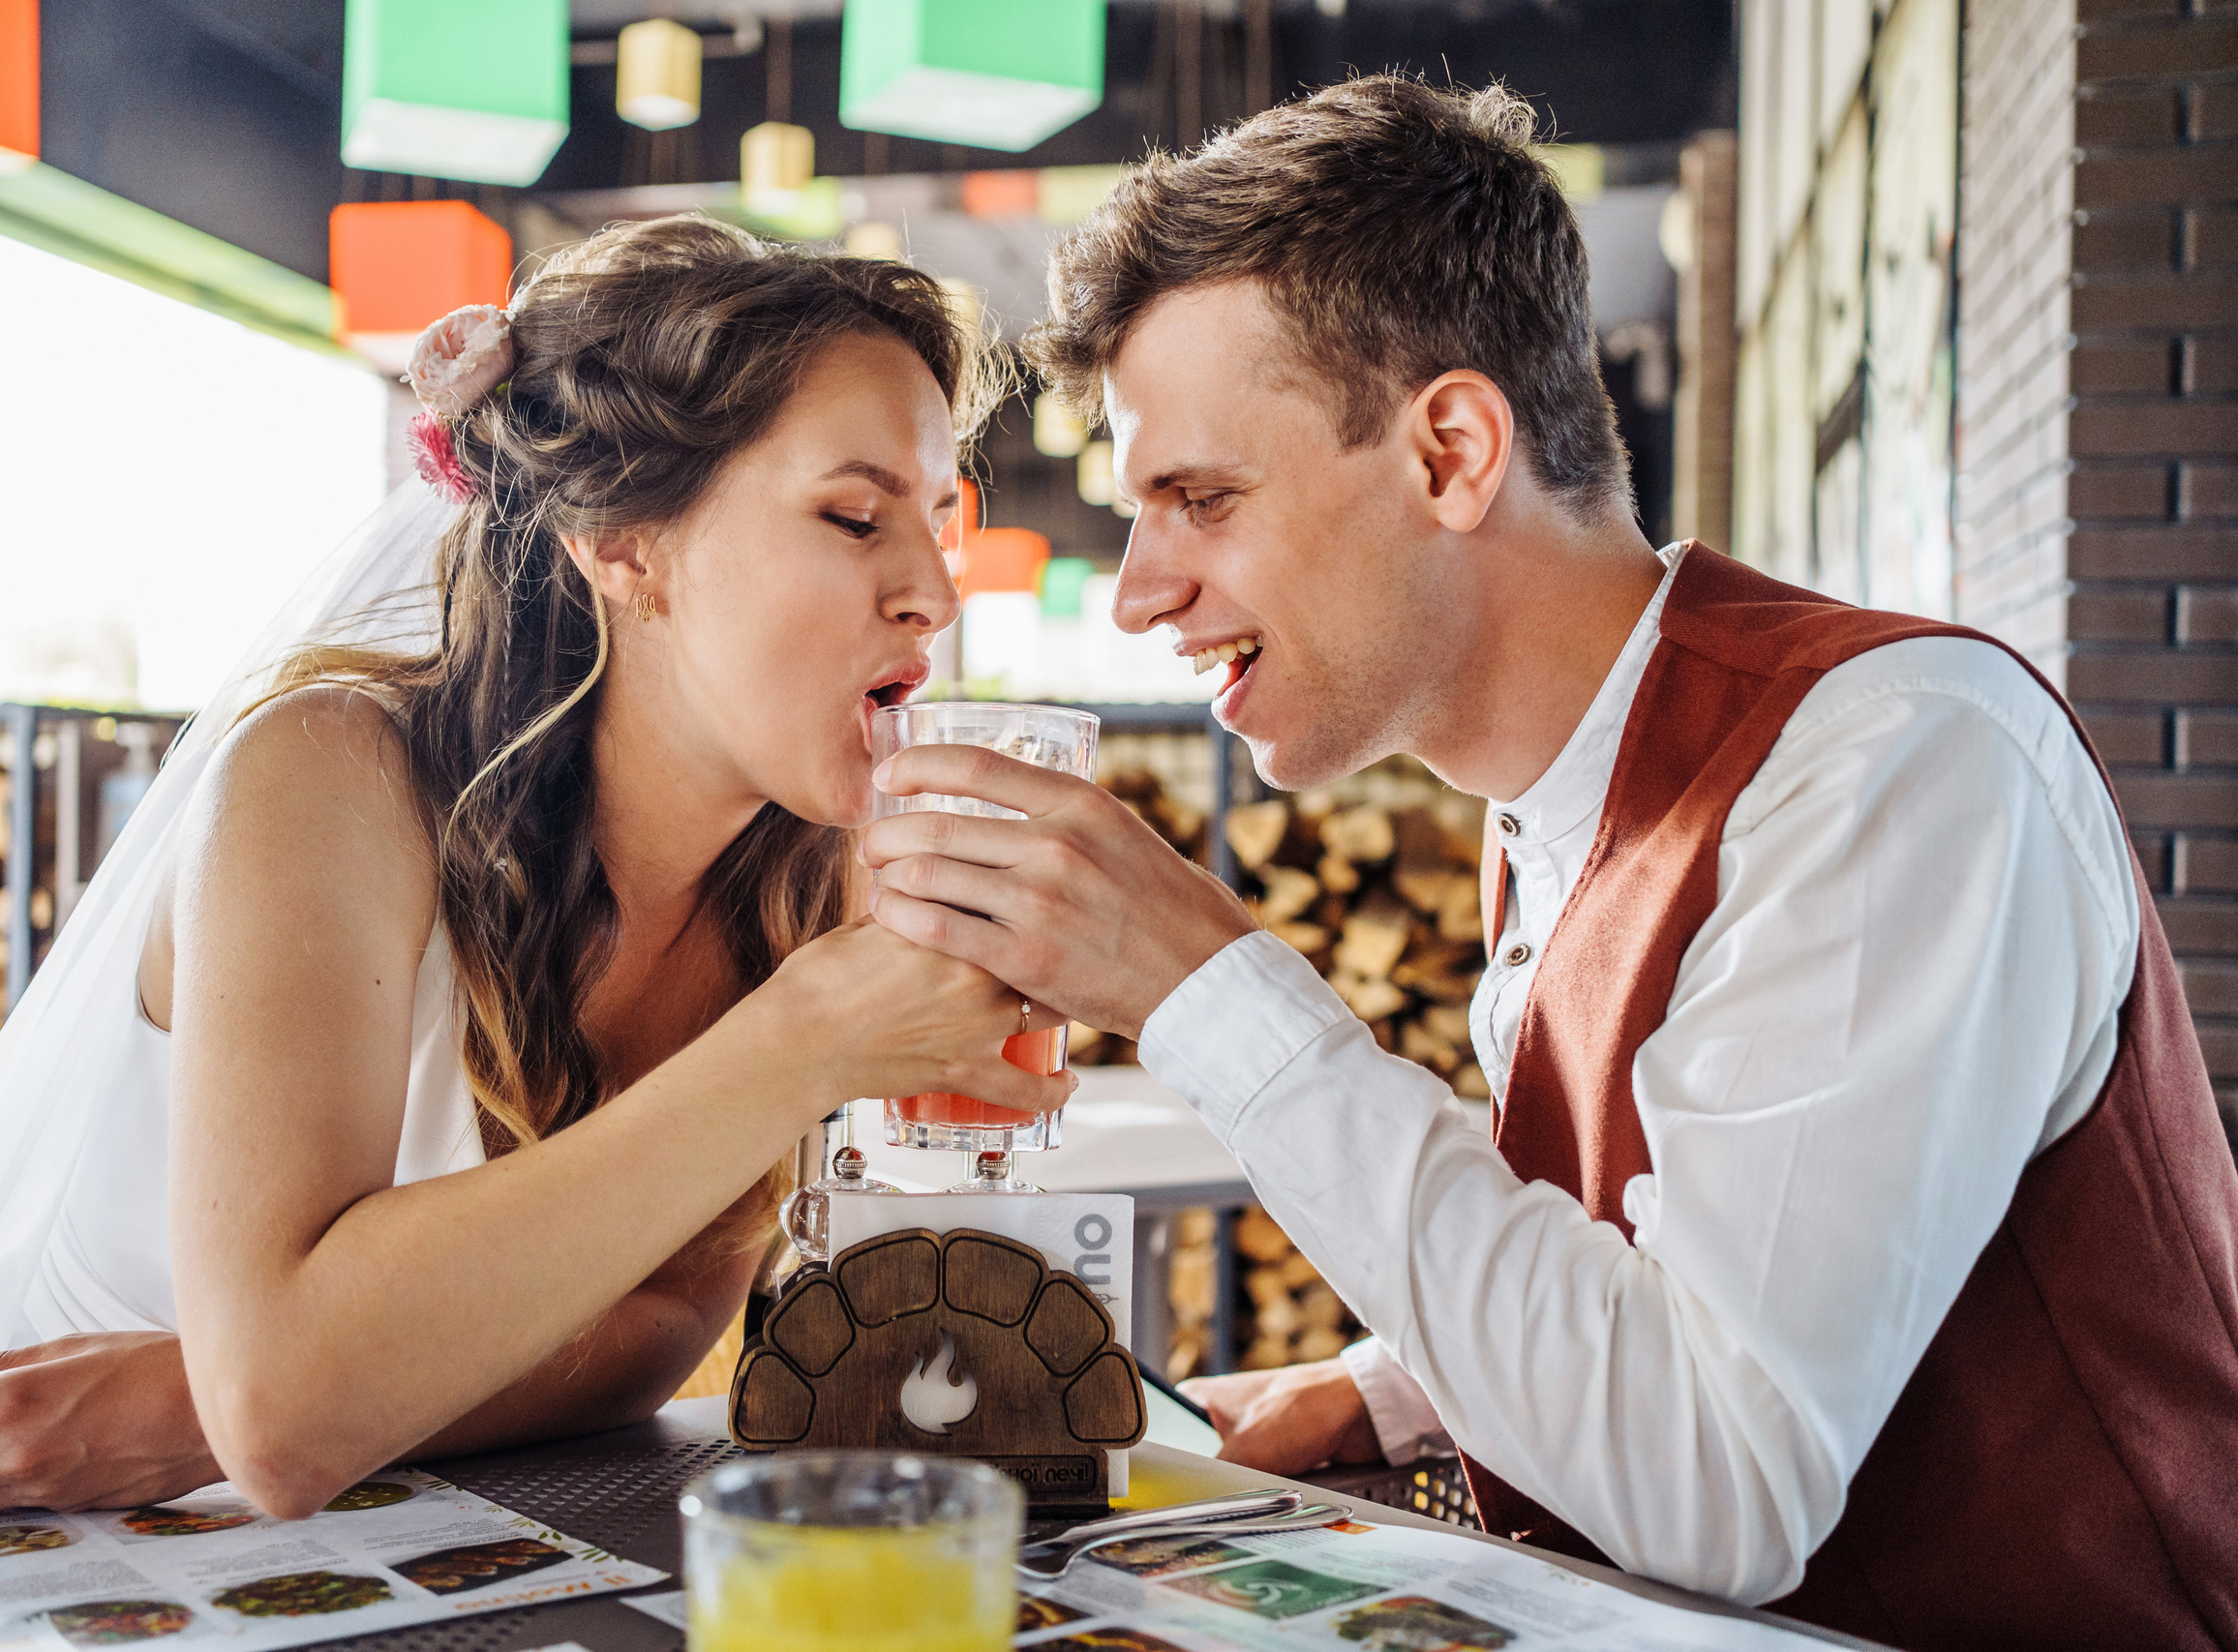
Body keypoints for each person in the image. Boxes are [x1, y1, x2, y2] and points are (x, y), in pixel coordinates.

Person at [860, 76, 2238, 1651]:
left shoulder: (1898, 759)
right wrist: (1384, 1389)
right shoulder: (1565, 787)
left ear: (1451, 450)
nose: (1140, 596)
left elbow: (1723, 1480)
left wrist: (1204, 980)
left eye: (1202, 499)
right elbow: (1714, 1267)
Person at [0, 217, 1071, 1518]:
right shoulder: (328, 780)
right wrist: (802, 1045)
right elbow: (281, 1416)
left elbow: (660, 1326)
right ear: (624, 548)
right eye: (853, 516)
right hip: (16, 1529)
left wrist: (201, 1408)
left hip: (394, 1526)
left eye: (939, 521)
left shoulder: (803, 878)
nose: (932, 595)